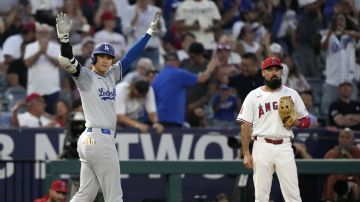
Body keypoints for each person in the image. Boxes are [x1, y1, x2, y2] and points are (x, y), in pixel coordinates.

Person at [55, 11, 161, 201]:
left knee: (85, 194)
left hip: (90, 140)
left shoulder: (112, 74)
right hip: (99, 138)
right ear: (94, 59)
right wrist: (64, 40)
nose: (106, 60)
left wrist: (148, 33)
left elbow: (130, 57)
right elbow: (68, 60)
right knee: (114, 196)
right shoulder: (86, 76)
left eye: (109, 57)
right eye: (101, 56)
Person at [237, 56, 310, 201]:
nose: (274, 72)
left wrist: (295, 122)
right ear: (263, 73)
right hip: (261, 146)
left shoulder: (291, 93)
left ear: (281, 72)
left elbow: (306, 121)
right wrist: (246, 152)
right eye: (270, 69)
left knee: (293, 195)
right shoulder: (253, 95)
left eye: (277, 69)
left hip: (284, 146)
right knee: (261, 196)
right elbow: (245, 125)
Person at [322, 128, 360, 201]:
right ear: (338, 139)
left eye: (347, 137)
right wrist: (335, 156)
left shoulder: (358, 152)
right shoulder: (332, 152)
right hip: (335, 179)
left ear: (353, 140)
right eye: (342, 137)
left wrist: (349, 156)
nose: (344, 140)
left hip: (353, 178)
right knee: (331, 178)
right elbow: (324, 167)